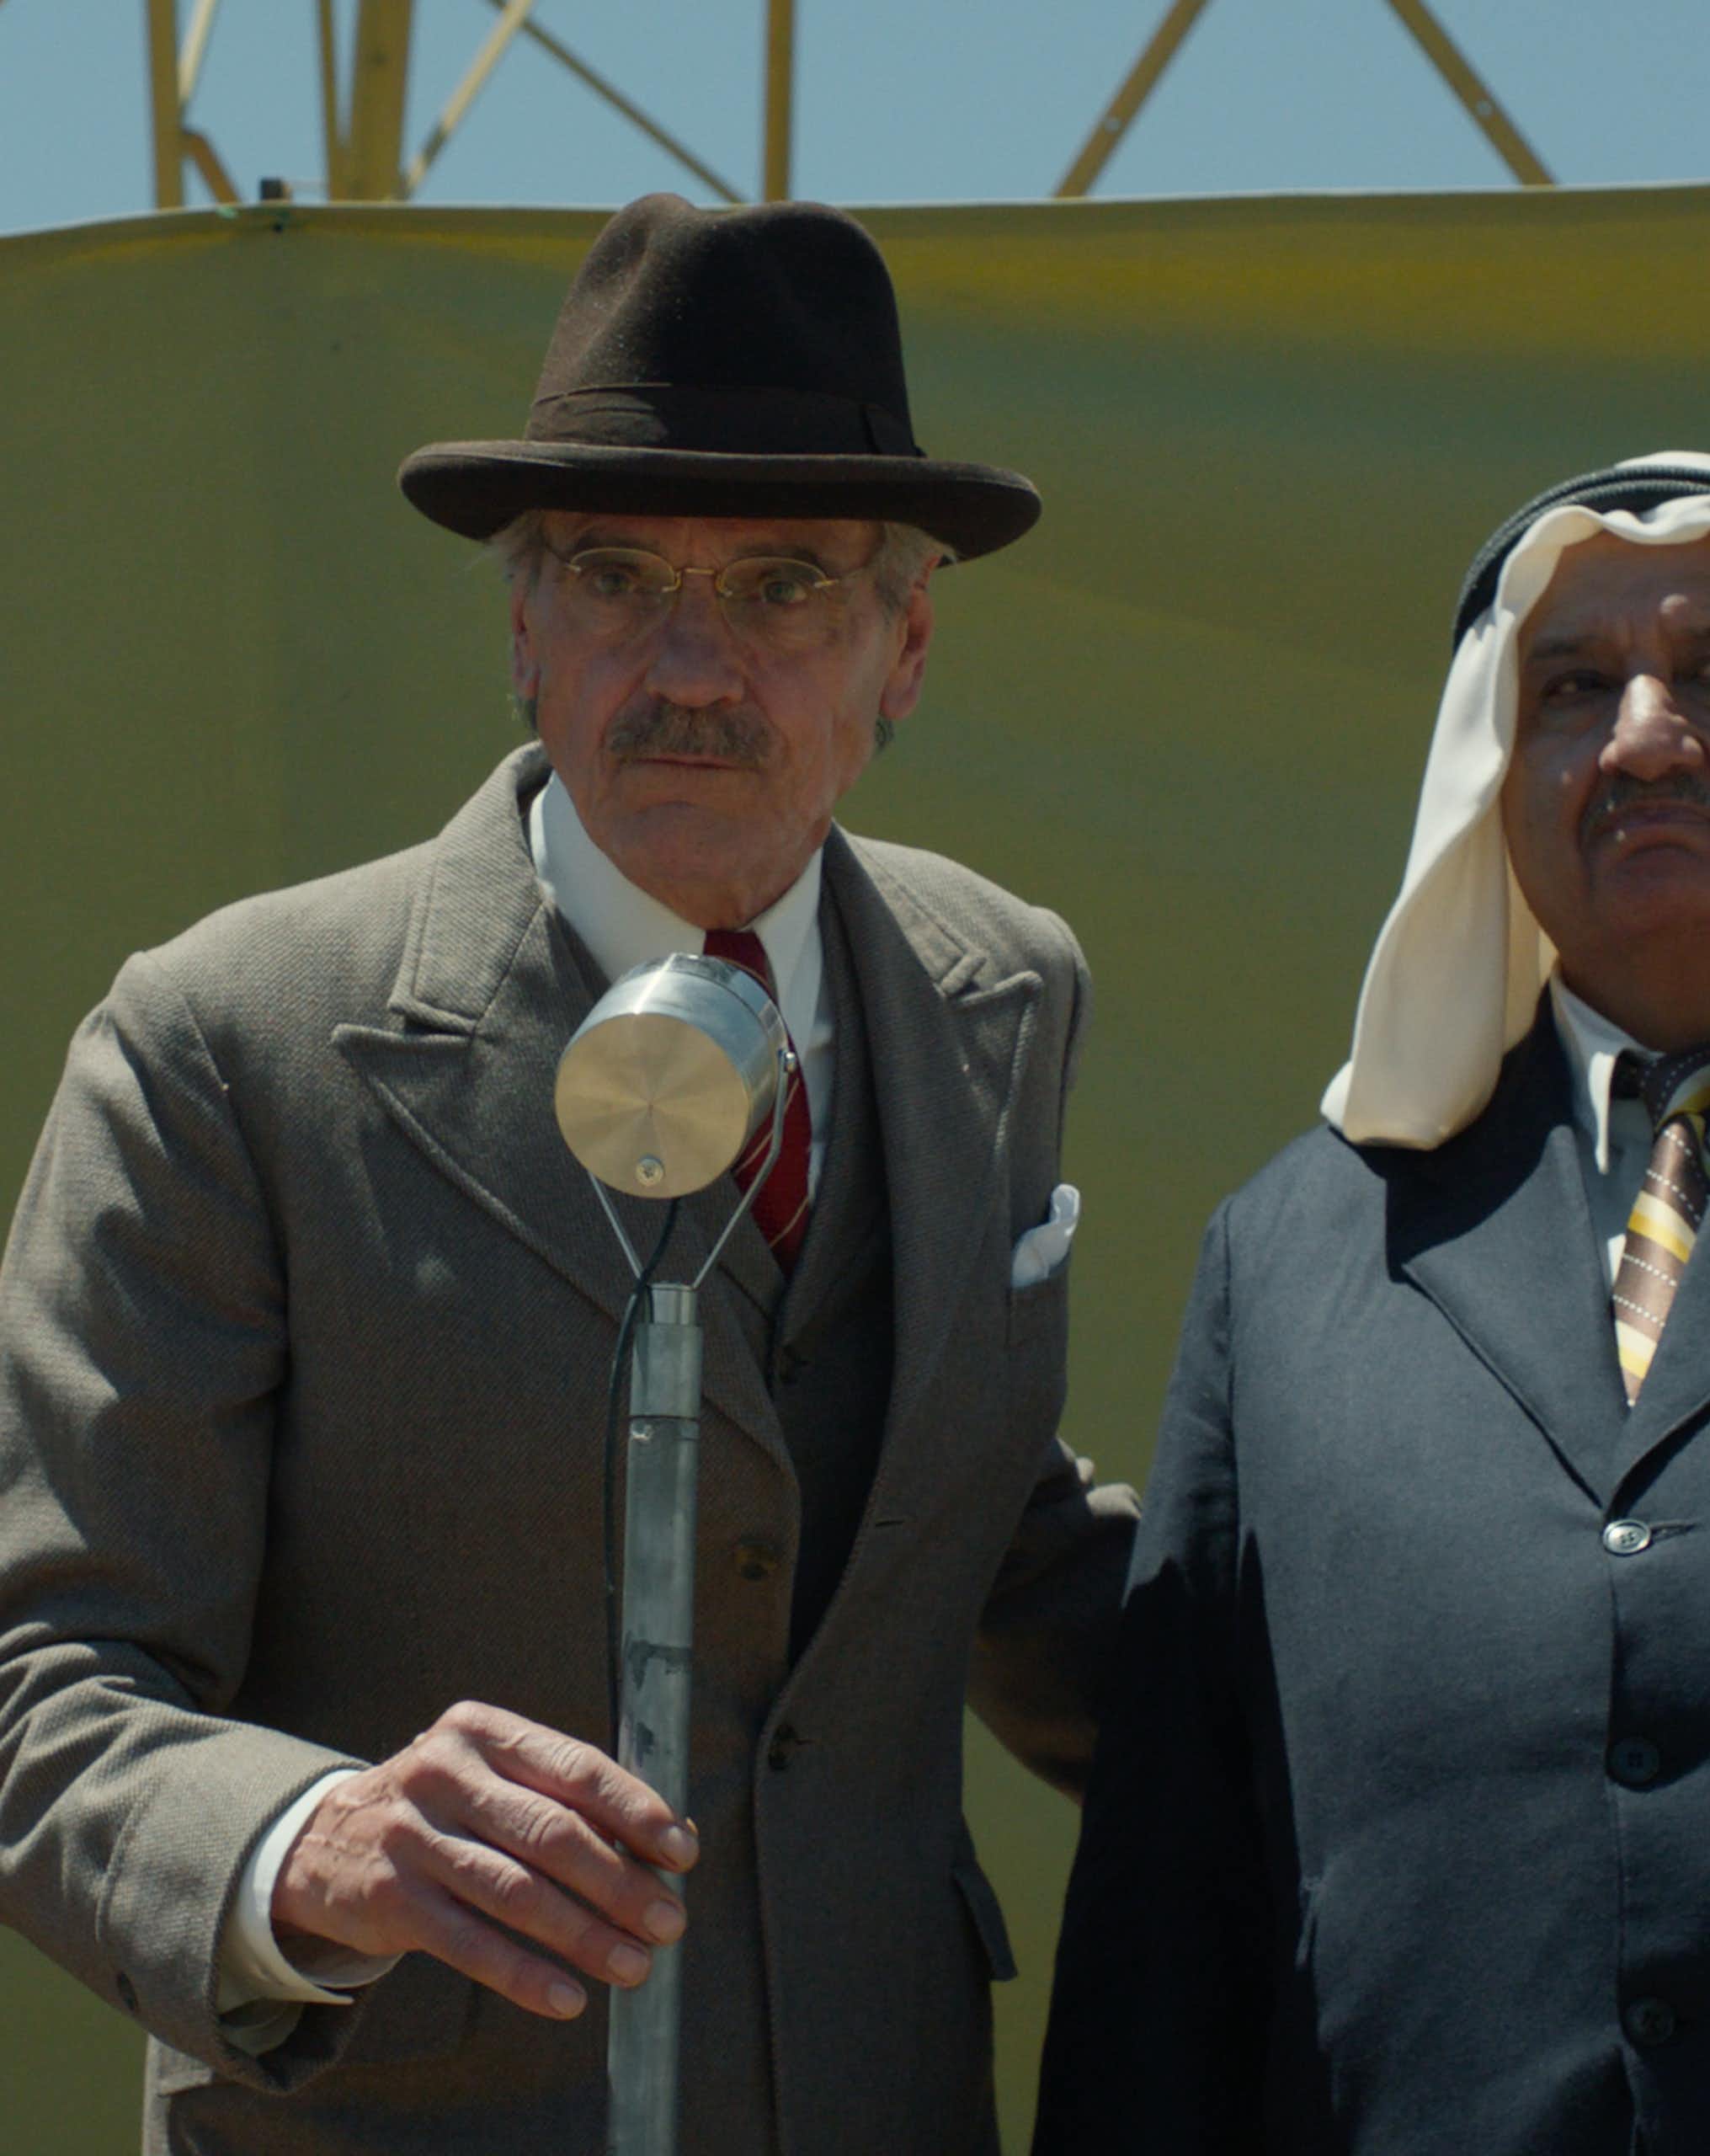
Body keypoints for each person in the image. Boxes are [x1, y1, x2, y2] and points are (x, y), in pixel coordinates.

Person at [0, 194, 1135, 2156]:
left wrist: (1442, 1680)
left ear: (906, 644)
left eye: (783, 585)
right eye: (616, 575)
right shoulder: (227, 1043)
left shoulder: (1001, 992)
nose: (691, 662)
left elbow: (974, 1527)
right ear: (521, 627)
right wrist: (299, 1837)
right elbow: (44, 1680)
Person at [1032, 453, 1710, 2153]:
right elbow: (1169, 1917)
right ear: (1490, 774)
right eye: (1568, 690)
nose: (1641, 737)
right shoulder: (1295, 1250)